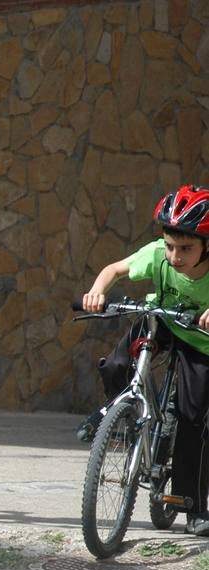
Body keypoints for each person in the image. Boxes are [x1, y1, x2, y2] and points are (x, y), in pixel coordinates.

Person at [82, 185, 209, 535]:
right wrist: (97, 291)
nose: (174, 256)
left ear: (206, 246)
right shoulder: (157, 255)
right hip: (163, 321)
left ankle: (193, 507)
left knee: (192, 416)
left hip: (201, 340)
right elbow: (114, 269)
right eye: (170, 246)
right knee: (117, 363)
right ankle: (123, 414)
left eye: (186, 248)